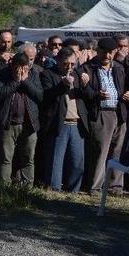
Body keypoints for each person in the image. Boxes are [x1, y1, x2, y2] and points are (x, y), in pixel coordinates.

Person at [82, 37, 129, 195]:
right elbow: (84, 91)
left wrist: (128, 95)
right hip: (102, 113)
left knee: (117, 151)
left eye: (110, 52)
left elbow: (124, 87)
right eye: (104, 52)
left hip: (119, 112)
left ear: (115, 52)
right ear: (98, 50)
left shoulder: (119, 68)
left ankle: (115, 187)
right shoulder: (88, 68)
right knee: (101, 151)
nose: (107, 55)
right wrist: (97, 95)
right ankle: (95, 187)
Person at [40, 47, 92, 193]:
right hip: (59, 123)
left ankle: (73, 190)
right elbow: (47, 96)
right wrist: (62, 85)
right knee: (56, 160)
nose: (69, 67)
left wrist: (86, 85)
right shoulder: (48, 74)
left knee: (77, 162)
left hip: (77, 123)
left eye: (72, 64)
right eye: (66, 64)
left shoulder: (78, 74)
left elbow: (89, 96)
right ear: (57, 61)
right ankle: (53, 189)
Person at [0, 53, 43, 184]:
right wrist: (15, 81)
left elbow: (39, 96)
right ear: (12, 65)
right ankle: (4, 186)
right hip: (8, 123)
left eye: (24, 67)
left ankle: (27, 188)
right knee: (5, 158)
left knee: (28, 158)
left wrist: (25, 81)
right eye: (17, 66)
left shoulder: (34, 75)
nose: (20, 70)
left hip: (29, 123)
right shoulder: (3, 74)